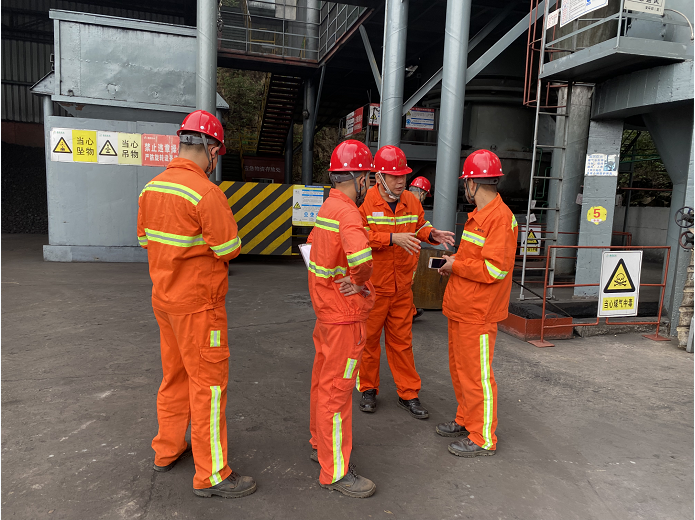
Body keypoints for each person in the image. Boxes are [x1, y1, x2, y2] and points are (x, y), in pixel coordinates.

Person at [137, 110, 257, 498]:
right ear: (211, 149)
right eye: (217, 153)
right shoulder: (206, 193)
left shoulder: (151, 189)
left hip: (164, 301)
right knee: (209, 387)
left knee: (174, 377)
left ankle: (167, 449)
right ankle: (212, 474)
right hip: (199, 308)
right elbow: (229, 248)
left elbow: (145, 241)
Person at [357, 146, 455, 418]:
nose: (400, 181)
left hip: (401, 289)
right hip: (373, 288)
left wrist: (432, 234)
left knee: (402, 343)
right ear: (379, 177)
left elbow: (419, 225)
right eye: (394, 176)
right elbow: (358, 236)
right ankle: (368, 389)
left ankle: (409, 394)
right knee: (369, 342)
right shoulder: (366, 203)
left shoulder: (411, 201)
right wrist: (390, 238)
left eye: (403, 176)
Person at [436, 149, 518, 457]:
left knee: (477, 376)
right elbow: (475, 259)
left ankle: (483, 437)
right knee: (461, 371)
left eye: (465, 183)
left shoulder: (500, 219)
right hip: (462, 307)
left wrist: (455, 265)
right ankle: (466, 420)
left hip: (478, 313)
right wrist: (453, 262)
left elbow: (494, 270)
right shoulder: (479, 216)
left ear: (471, 183)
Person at [307, 139, 377, 498]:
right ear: (360, 179)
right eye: (369, 178)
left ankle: (321, 444)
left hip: (326, 313)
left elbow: (312, 251)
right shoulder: (349, 213)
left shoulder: (328, 207)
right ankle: (335, 471)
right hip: (345, 319)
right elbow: (362, 259)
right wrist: (359, 281)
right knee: (337, 392)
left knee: (323, 384)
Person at [408, 176, 432, 321]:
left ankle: (410, 310)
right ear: (422, 193)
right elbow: (421, 227)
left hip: (404, 250)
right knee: (406, 285)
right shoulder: (415, 205)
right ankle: (409, 312)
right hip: (409, 252)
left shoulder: (402, 200)